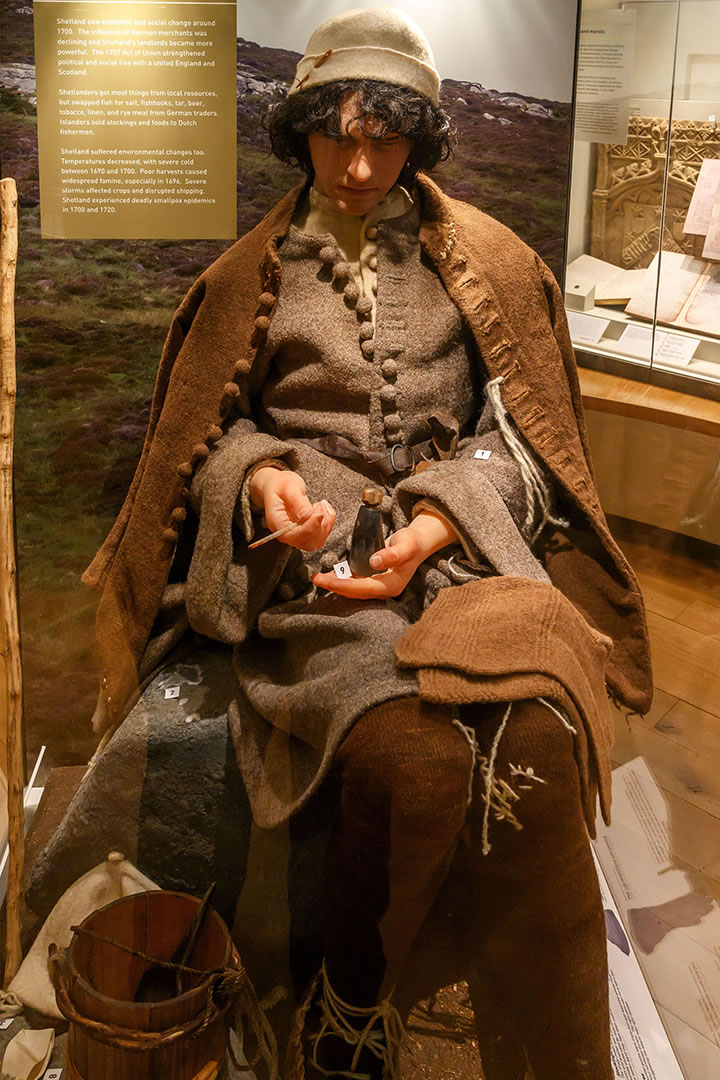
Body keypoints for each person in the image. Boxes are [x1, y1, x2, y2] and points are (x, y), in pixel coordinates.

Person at [82, 8, 652, 1079]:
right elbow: (206, 441)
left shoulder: (491, 261)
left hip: (471, 561)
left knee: (531, 747)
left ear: (419, 141)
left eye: (382, 141)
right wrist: (265, 482)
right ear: (297, 132)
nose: (354, 165)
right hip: (320, 581)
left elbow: (528, 441)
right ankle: (347, 1024)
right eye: (333, 137)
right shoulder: (245, 282)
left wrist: (447, 510)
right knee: (417, 756)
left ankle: (552, 1056)